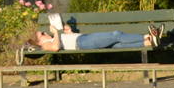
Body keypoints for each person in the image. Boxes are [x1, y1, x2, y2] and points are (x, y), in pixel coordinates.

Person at [23, 19, 163, 58]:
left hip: (82, 39)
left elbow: (64, 42)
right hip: (83, 42)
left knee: (119, 43)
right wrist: (56, 33)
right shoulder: (46, 44)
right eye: (42, 34)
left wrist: (69, 32)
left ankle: (150, 41)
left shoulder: (51, 38)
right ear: (39, 41)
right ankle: (149, 36)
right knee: (116, 34)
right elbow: (55, 47)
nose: (44, 33)